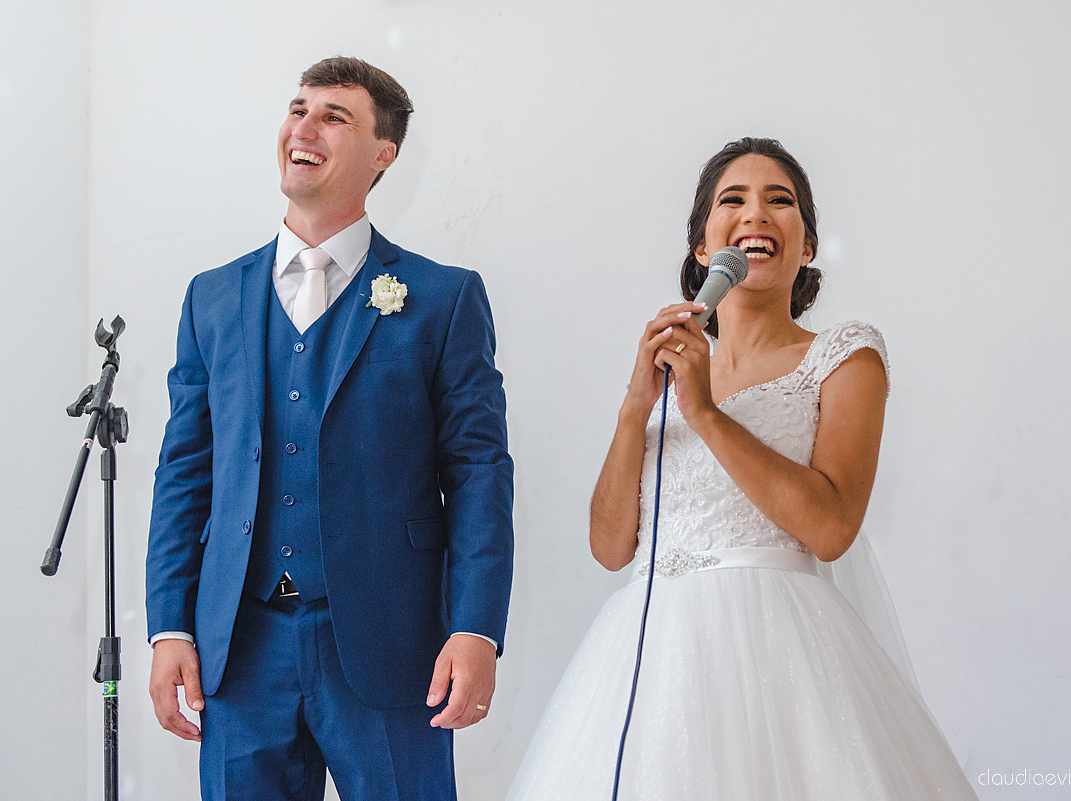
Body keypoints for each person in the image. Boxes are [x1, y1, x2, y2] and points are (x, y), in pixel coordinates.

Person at [506, 137, 977, 800]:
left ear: (807, 245)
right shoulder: (672, 376)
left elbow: (832, 526)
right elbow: (612, 548)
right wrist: (635, 406)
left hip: (781, 650)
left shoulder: (845, 357)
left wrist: (704, 412)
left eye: (779, 201)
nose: (756, 213)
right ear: (703, 247)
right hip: (651, 659)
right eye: (733, 199)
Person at [145, 57, 513, 801]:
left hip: (393, 645)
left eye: (333, 116)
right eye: (297, 108)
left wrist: (477, 626)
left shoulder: (442, 298)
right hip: (240, 652)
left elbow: (478, 472)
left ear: (384, 154)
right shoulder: (211, 298)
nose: (302, 127)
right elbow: (185, 471)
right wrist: (170, 628)